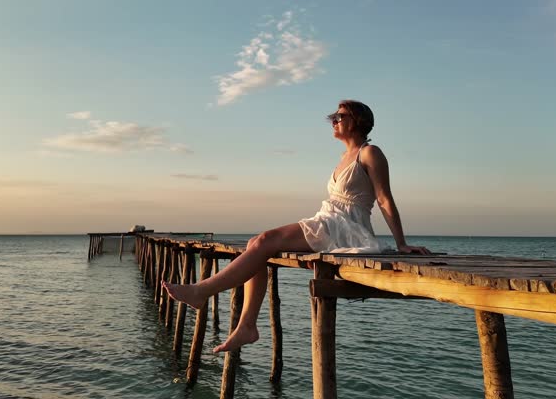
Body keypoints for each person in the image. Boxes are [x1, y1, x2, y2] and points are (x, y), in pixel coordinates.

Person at [163, 99, 431, 353]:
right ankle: (247, 325)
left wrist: (401, 244)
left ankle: (202, 291)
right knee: (255, 242)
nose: (333, 121)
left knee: (266, 239)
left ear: (357, 121)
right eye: (333, 117)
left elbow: (384, 198)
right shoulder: (343, 156)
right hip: (327, 218)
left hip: (345, 226)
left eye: (340, 116)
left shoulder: (370, 153)